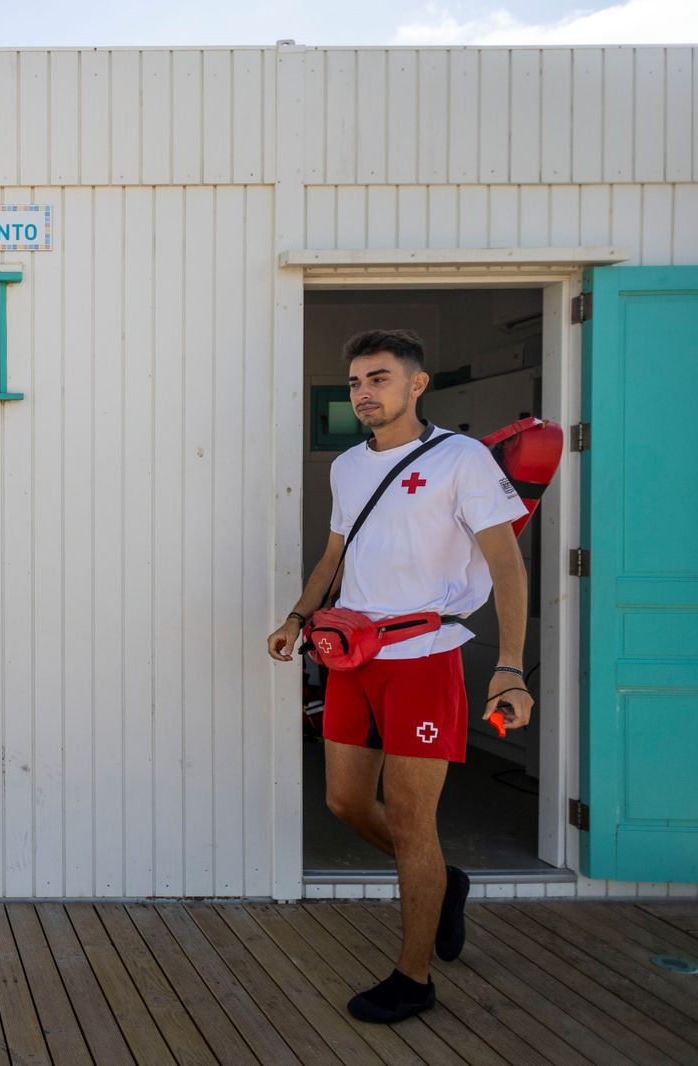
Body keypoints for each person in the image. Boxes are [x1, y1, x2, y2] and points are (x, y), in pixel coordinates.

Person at [266, 329, 534, 1024]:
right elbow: (335, 553)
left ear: (416, 384)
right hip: (353, 657)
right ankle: (445, 885)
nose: (364, 393)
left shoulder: (462, 460)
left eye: (378, 379)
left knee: (414, 821)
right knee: (346, 805)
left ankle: (413, 978)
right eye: (356, 381)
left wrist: (509, 667)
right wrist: (299, 618)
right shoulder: (349, 467)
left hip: (424, 658)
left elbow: (507, 566)